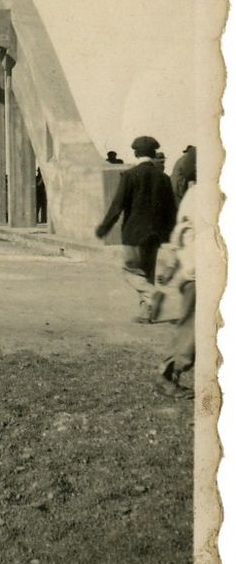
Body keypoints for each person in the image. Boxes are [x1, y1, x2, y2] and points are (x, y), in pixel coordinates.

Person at [95, 135, 177, 323]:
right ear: (154, 153)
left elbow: (117, 205)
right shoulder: (163, 178)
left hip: (134, 234)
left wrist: (104, 228)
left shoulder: (130, 175)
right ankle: (146, 314)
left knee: (131, 271)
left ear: (135, 153)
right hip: (154, 235)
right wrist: (169, 235)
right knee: (147, 273)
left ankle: (152, 294)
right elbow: (171, 209)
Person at [156, 182, 196, 397]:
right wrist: (174, 266)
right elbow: (181, 232)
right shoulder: (201, 194)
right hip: (200, 275)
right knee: (192, 329)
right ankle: (167, 375)